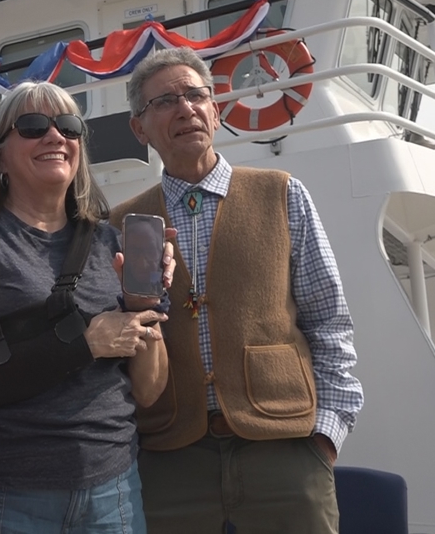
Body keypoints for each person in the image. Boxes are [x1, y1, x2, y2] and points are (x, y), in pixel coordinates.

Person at [109, 47, 365, 533]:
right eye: (163, 102)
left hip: (284, 448)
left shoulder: (282, 192)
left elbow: (329, 321)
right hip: (169, 458)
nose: (184, 108)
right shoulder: (120, 223)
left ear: (216, 109)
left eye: (194, 95)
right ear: (139, 128)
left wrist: (326, 435)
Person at [0, 81, 171, 533]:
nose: (55, 137)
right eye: (33, 126)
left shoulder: (106, 239)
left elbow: (149, 392)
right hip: (12, 491)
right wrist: (85, 343)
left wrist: (140, 305)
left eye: (69, 126)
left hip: (113, 488)